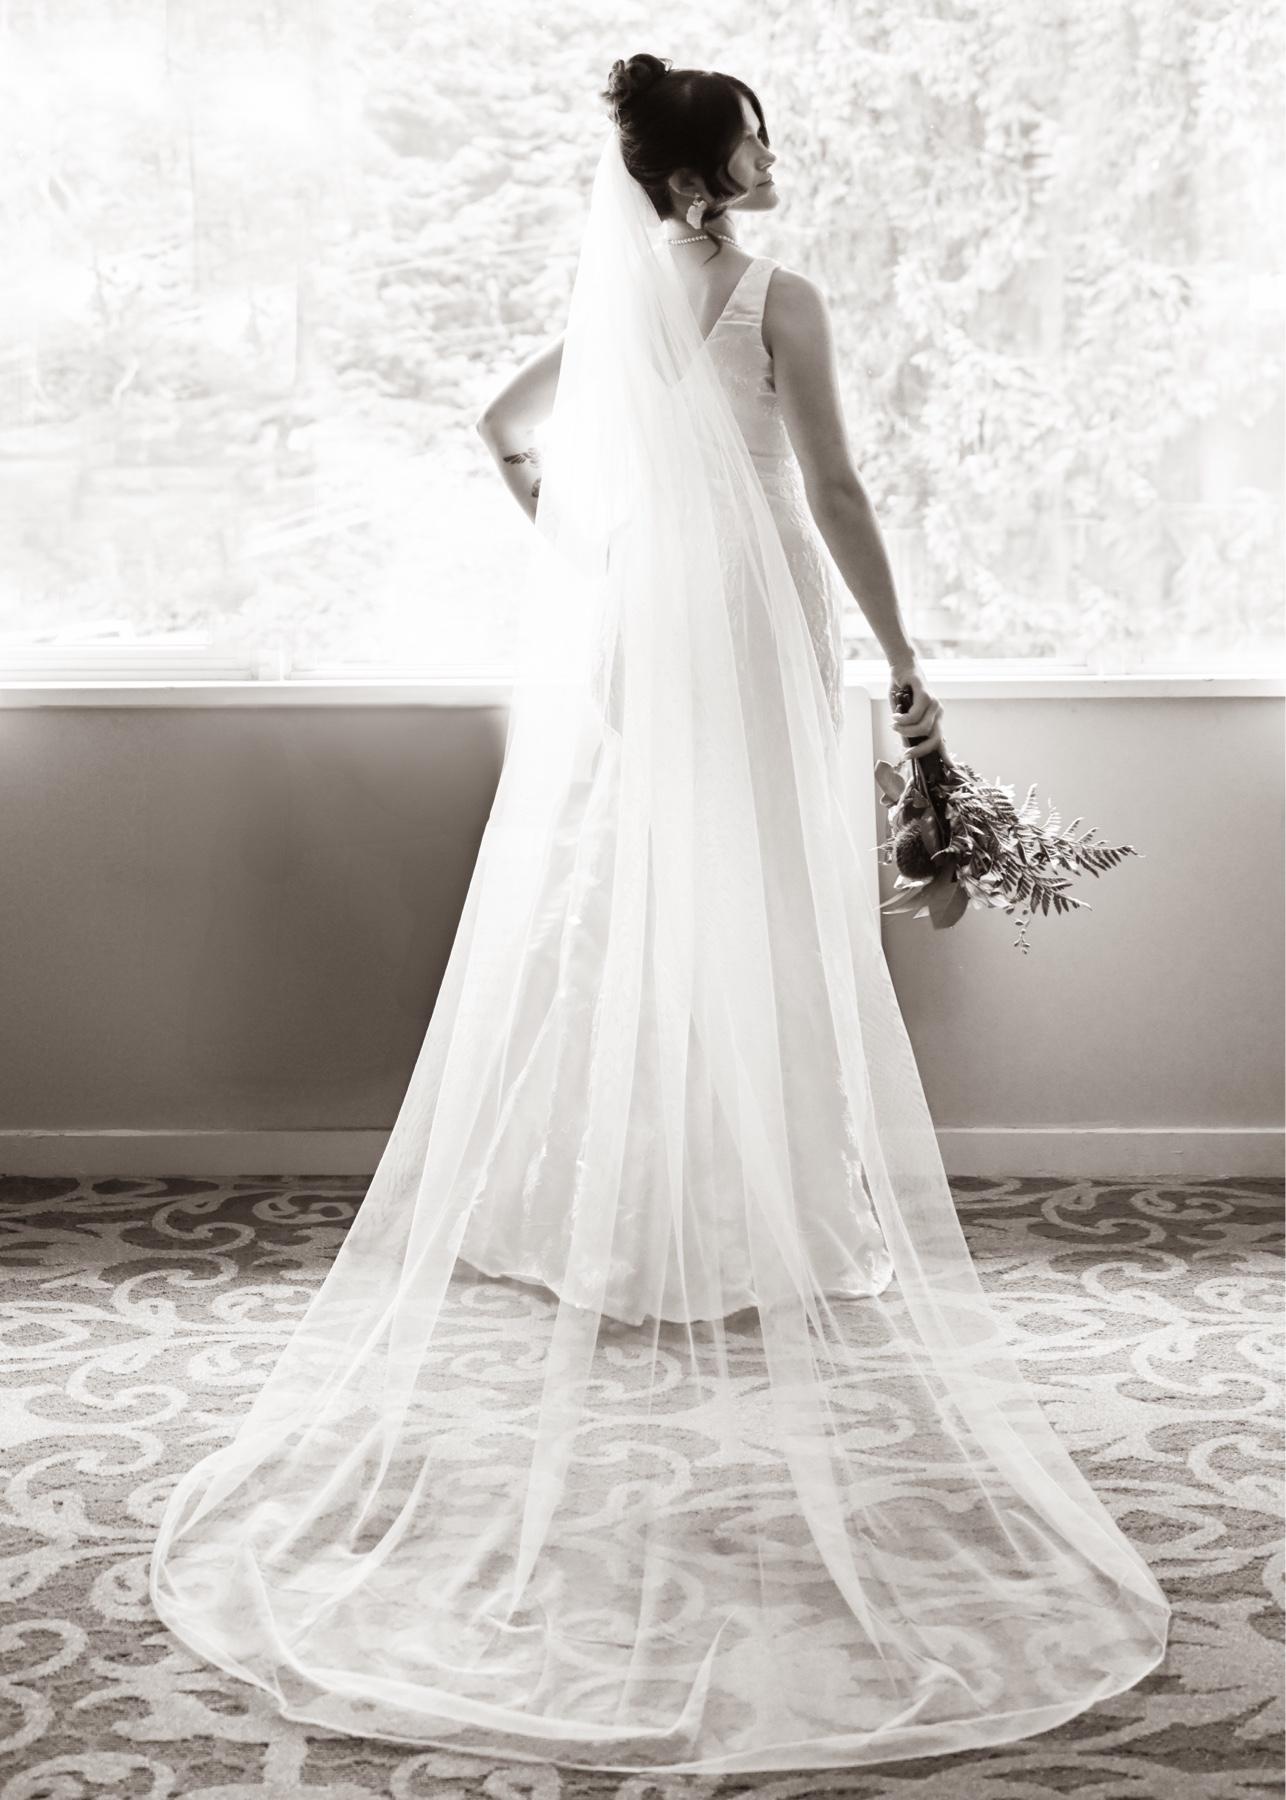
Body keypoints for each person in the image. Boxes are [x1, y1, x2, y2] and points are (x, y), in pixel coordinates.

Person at [149, 54, 1169, 1774]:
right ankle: (751, 1214)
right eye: (754, 137)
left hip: (643, 636)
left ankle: (632, 1209)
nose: (774, 155)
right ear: (703, 168)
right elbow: (833, 495)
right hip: (759, 634)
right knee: (758, 904)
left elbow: (499, 433)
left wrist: (601, 561)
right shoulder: (777, 300)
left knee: (640, 900)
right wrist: (906, 665)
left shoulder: (613, 300)